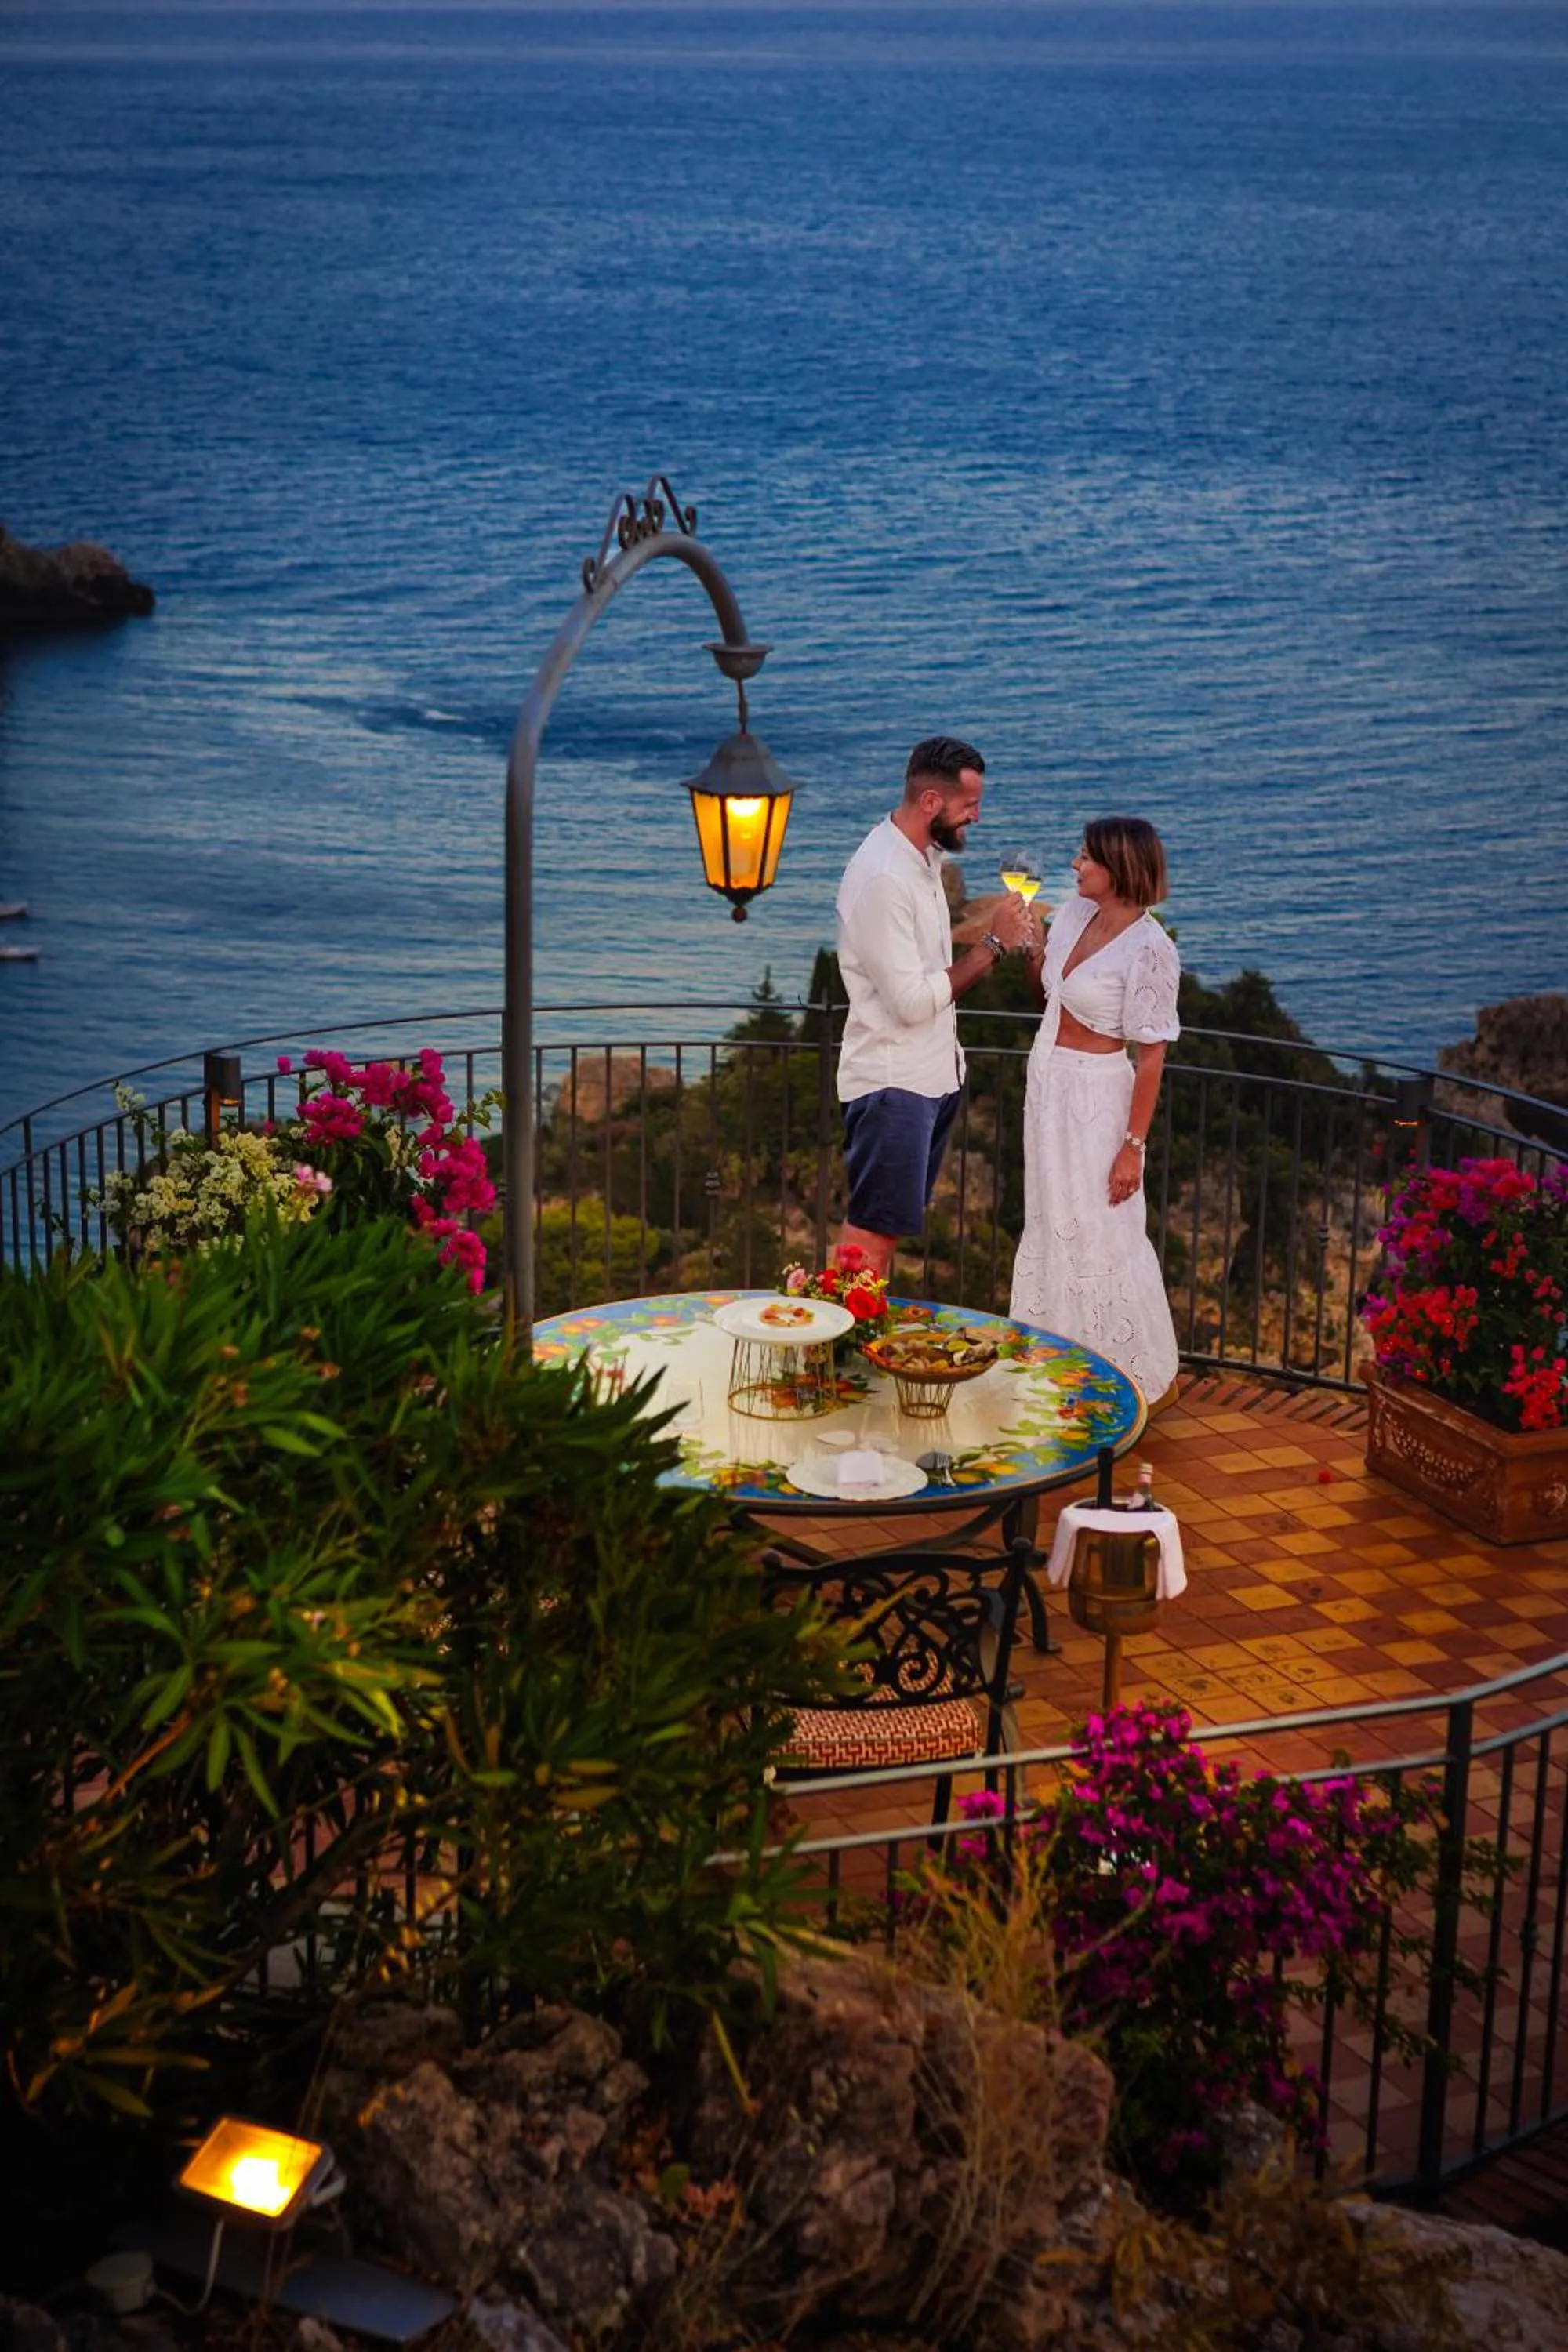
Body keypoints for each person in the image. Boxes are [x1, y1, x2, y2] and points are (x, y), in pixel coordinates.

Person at [834, 736, 1033, 1279]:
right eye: (968, 806)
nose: (977, 816)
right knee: (869, 1232)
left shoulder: (922, 859)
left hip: (931, 1076)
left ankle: (863, 1336)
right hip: (893, 1081)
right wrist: (992, 945)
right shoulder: (883, 878)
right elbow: (912, 1001)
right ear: (929, 802)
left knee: (887, 1228)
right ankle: (839, 1353)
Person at [1010, 815, 1181, 1402]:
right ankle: (1054, 1364)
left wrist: (1132, 1147)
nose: (1075, 866)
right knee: (1053, 1225)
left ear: (1119, 868)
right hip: (1049, 1091)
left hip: (1097, 1098)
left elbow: (1152, 1056)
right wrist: (1033, 950)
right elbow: (1048, 1000)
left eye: (1086, 858)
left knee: (1103, 1232)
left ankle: (1124, 1375)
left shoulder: (1151, 950)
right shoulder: (1074, 914)